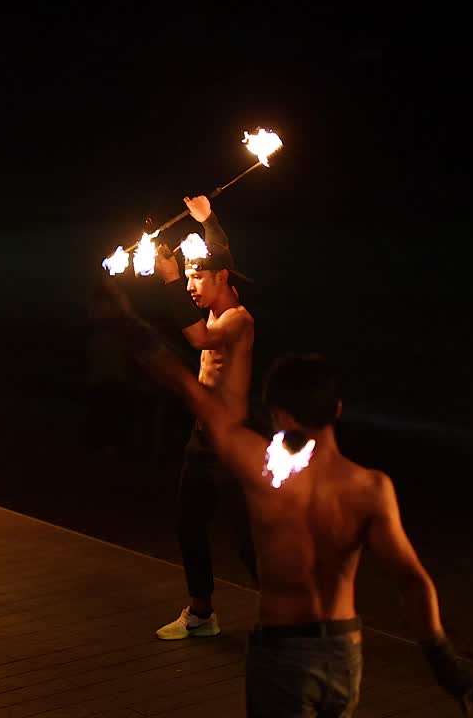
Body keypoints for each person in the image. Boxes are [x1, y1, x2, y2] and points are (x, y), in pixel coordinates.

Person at [95, 280, 473, 716]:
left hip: (283, 653)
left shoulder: (264, 471)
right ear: (337, 408)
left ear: (278, 413)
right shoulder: (372, 488)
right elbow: (412, 581)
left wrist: (127, 323)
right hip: (344, 651)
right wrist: (444, 665)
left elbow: (189, 389)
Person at [151, 196, 259, 641]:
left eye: (198, 277)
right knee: (188, 525)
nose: (191, 286)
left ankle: (295, 617)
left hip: (231, 445)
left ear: (222, 278)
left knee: (249, 542)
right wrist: (208, 220)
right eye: (188, 276)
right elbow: (221, 251)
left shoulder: (237, 320)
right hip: (201, 441)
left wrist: (170, 281)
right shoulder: (215, 307)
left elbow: (198, 341)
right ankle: (201, 613)